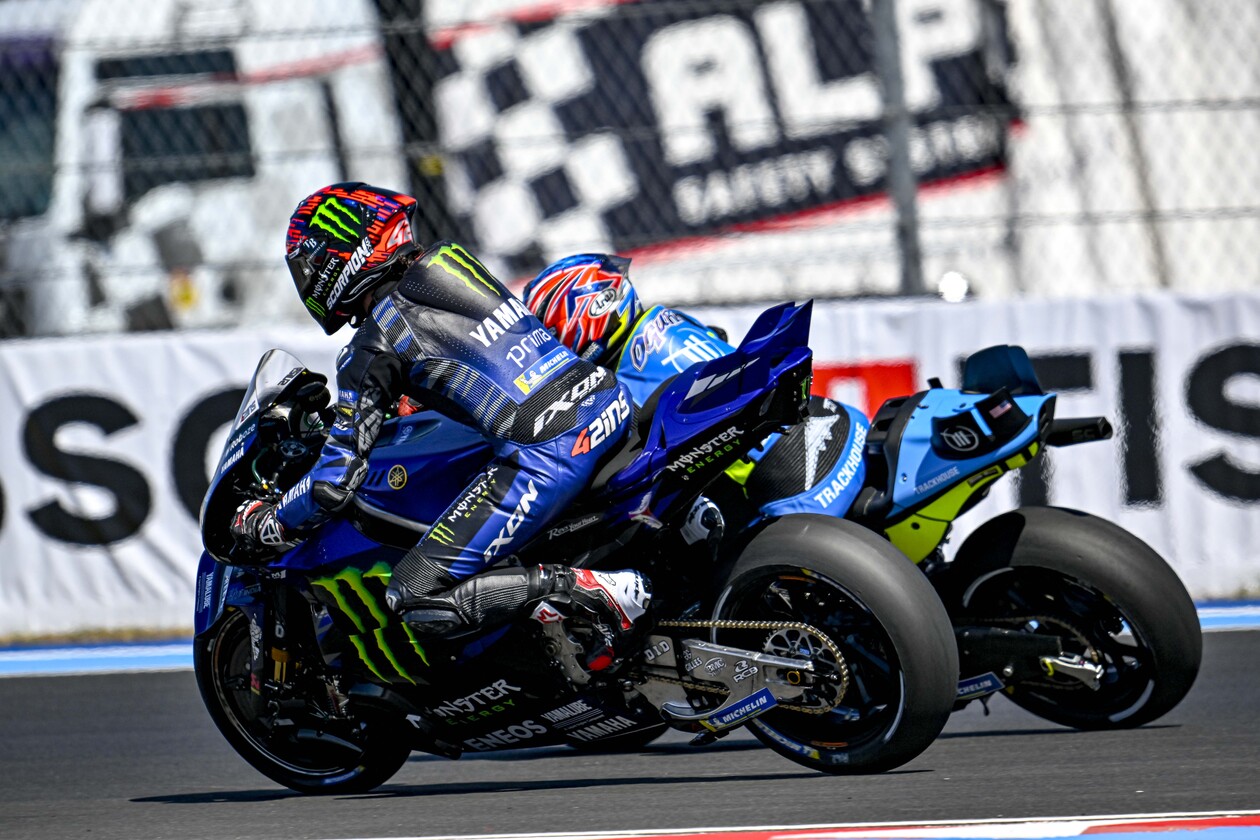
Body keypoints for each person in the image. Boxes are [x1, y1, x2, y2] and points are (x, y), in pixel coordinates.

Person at [229, 184, 649, 663]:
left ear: (338, 257)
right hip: (606, 399)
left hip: (547, 453)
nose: (305, 281)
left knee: (413, 594)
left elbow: (333, 481)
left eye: (308, 266)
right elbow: (477, 358)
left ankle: (587, 591)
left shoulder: (373, 346)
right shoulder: (449, 261)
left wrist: (270, 520)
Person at [523, 254, 871, 526]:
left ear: (589, 310)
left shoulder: (615, 380)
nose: (551, 348)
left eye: (550, 334)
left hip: (787, 477)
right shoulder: (668, 317)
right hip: (836, 420)